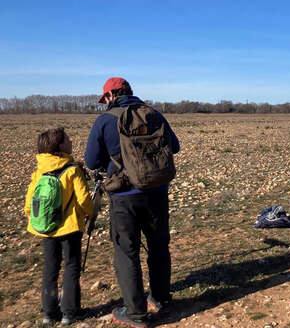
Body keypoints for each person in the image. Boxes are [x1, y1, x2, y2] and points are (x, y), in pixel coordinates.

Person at [85, 77, 180, 328]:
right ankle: (161, 298)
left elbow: (92, 161)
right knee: (159, 246)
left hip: (124, 197)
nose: (103, 102)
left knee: (126, 253)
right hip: (157, 192)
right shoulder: (154, 114)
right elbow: (175, 147)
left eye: (104, 98)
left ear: (110, 95)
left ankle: (136, 313)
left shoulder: (105, 120)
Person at [24, 128, 93, 325]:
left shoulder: (39, 172)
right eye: (68, 140)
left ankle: (48, 312)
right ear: (60, 146)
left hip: (46, 229)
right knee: (72, 267)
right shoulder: (72, 170)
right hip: (69, 228)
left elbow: (29, 205)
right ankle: (70, 313)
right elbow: (84, 200)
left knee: (50, 268)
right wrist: (90, 213)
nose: (71, 142)